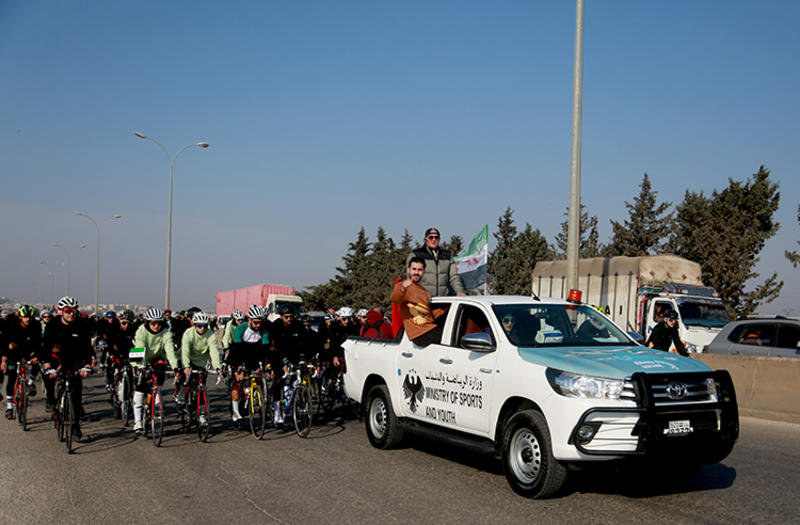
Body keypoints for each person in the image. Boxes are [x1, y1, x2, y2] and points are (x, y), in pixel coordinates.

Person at [42, 297, 96, 441]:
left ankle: (75, 426)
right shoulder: (52, 325)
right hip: (56, 355)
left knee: (76, 393)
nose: (71, 314)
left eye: (74, 311)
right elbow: (46, 346)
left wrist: (88, 363)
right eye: (67, 311)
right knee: (49, 375)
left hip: (75, 358)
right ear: (61, 312)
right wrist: (47, 363)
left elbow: (87, 347)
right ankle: (52, 401)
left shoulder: (82, 324)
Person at [131, 307, 179, 435]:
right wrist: (140, 367)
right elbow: (139, 347)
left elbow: (169, 350)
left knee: (160, 370)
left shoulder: (166, 332)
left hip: (157, 357)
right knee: (141, 386)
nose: (156, 326)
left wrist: (175, 367)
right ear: (148, 323)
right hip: (142, 357)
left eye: (159, 323)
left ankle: (157, 393)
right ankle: (137, 421)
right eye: (153, 323)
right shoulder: (141, 331)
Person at [227, 305, 272, 427]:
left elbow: (265, 350)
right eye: (256, 323)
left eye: (260, 322)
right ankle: (236, 414)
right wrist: (238, 367)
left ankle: (255, 396)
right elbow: (236, 350)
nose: (258, 325)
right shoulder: (240, 329)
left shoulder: (264, 330)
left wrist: (268, 365)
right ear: (249, 320)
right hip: (238, 353)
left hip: (254, 355)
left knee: (257, 375)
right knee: (237, 383)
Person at [391, 257, 448, 347]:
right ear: (408, 270)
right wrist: (403, 288)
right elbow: (394, 299)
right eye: (414, 269)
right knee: (451, 338)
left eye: (419, 270)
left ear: (423, 272)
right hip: (420, 333)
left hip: (430, 328)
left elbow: (429, 313)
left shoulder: (424, 291)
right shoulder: (402, 286)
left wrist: (445, 310)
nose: (416, 272)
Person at [178, 312, 222, 425]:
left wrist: (217, 367)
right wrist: (186, 366)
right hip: (190, 359)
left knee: (201, 389)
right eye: (199, 326)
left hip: (203, 362)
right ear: (195, 325)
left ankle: (202, 415)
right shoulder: (189, 333)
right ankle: (182, 393)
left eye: (205, 326)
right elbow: (185, 351)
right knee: (186, 379)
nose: (202, 329)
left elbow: (213, 351)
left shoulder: (210, 334)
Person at [2, 305, 42, 418]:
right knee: (12, 377)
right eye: (25, 317)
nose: (28, 319)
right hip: (13, 353)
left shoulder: (36, 325)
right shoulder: (12, 326)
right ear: (20, 317)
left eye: (30, 316)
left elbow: (39, 343)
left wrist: (36, 356)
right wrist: (4, 360)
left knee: (37, 364)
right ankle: (9, 406)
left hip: (29, 352)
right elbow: (5, 344)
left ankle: (30, 383)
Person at [407, 227, 465, 297]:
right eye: (431, 237)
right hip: (422, 299)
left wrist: (460, 291)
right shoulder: (416, 255)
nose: (434, 240)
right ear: (425, 239)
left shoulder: (447, 255)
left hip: (442, 300)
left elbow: (454, 277)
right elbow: (410, 278)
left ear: (439, 239)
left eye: (436, 237)